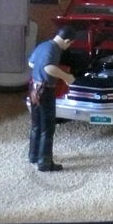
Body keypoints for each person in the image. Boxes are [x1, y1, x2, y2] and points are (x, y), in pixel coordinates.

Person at [27, 26, 76, 172]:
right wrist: (66, 77)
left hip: (34, 89)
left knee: (36, 125)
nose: (69, 46)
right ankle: (45, 162)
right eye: (70, 43)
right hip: (45, 90)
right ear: (67, 41)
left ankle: (34, 155)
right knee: (47, 128)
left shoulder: (43, 45)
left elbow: (31, 63)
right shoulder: (54, 49)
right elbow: (49, 68)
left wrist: (39, 71)